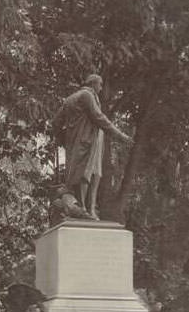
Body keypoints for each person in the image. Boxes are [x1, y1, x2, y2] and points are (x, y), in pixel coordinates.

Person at [54, 74, 132, 219]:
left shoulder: (69, 99)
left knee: (88, 174)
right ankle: (84, 208)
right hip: (87, 141)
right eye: (100, 84)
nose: (101, 88)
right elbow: (99, 117)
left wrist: (63, 139)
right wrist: (120, 135)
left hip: (79, 142)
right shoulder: (86, 95)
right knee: (86, 173)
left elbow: (56, 122)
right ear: (92, 84)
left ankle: (89, 209)